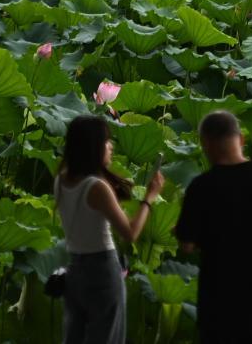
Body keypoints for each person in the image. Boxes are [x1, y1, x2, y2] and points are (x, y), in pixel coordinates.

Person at [175, 110, 252, 344]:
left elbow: (186, 244)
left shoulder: (201, 187)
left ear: (205, 144)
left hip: (219, 302)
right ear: (241, 139)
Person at [55, 115, 164, 344]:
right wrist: (149, 197)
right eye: (106, 141)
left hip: (75, 271)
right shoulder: (96, 187)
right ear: (93, 146)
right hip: (102, 272)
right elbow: (130, 233)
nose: (111, 146)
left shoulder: (61, 181)